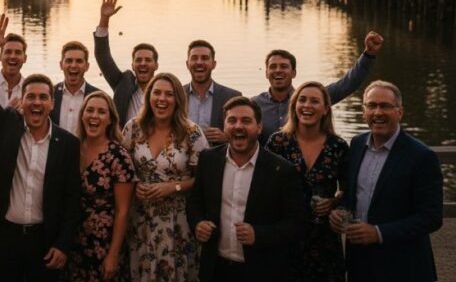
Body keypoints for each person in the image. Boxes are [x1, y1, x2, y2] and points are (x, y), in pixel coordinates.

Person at [0, 14, 81, 281]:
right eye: (30, 96)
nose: (36, 102)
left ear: (51, 104)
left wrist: (63, 244)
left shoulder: (67, 143)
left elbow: (72, 200)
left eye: (43, 97)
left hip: (45, 241)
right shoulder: (8, 125)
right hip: (4, 236)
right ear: (23, 101)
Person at [329, 81, 443, 282]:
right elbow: (353, 194)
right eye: (371, 106)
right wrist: (341, 212)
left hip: (404, 267)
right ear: (363, 111)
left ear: (400, 112)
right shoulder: (356, 145)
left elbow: (431, 217)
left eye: (385, 106)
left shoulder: (421, 156)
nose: (377, 112)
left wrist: (378, 233)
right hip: (360, 265)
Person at [187, 96, 306, 282]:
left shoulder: (282, 170)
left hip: (262, 271)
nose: (238, 126)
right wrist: (198, 224)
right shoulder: (208, 160)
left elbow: (297, 224)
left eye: (246, 121)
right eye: (232, 120)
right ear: (225, 126)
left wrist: (259, 235)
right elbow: (195, 203)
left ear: (259, 128)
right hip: (215, 268)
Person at [121, 72, 209, 281]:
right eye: (157, 93)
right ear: (148, 96)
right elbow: (122, 172)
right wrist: (134, 187)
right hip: (139, 218)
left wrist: (173, 187)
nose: (162, 99)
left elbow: (205, 180)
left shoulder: (192, 132)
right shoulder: (133, 128)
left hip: (177, 221)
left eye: (169, 94)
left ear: (178, 99)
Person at [265, 82, 348, 282]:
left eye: (314, 101)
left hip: (324, 240)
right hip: (285, 238)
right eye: (302, 100)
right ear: (294, 105)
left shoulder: (338, 146)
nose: (307, 105)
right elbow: (262, 188)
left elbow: (347, 190)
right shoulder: (277, 143)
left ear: (326, 108)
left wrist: (334, 202)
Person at [253, 30, 385, 143]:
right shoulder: (254, 104)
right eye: (273, 67)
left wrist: (368, 55)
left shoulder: (311, 100)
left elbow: (347, 84)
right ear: (266, 73)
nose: (278, 70)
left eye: (284, 66)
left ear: (294, 73)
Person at [66, 91, 136, 282]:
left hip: (104, 244)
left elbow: (123, 211)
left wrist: (112, 254)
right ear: (82, 116)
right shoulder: (72, 149)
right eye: (89, 110)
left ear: (110, 120)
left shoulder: (118, 156)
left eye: (101, 112)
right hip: (71, 242)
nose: (94, 116)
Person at [94, 0, 159, 125]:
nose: (143, 63)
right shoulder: (123, 84)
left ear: (156, 65)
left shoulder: (165, 91)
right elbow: (102, 56)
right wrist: (104, 19)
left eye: (148, 60)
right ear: (132, 65)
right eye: (138, 60)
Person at [183, 39, 241, 144]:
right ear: (187, 64)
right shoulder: (176, 95)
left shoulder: (232, 96)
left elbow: (243, 133)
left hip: (217, 157)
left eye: (205, 58)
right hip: (183, 158)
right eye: (194, 58)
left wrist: (227, 137)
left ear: (213, 64)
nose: (199, 62)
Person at [50, 40, 101, 136]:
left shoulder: (98, 97)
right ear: (61, 65)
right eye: (69, 61)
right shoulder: (49, 94)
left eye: (79, 61)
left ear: (87, 66)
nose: (73, 65)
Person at [0, 32, 27, 108]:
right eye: (8, 52)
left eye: (18, 52)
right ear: (0, 57)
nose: (13, 56)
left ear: (25, 58)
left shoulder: (28, 89)